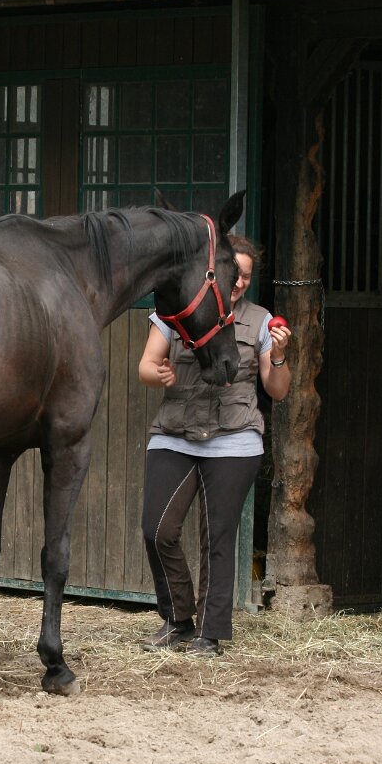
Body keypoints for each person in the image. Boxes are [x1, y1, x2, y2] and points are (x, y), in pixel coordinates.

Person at [138, 234, 291, 655]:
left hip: (234, 438)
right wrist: (158, 373)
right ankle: (178, 619)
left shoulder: (260, 321)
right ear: (214, 270)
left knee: (218, 538)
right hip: (175, 433)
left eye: (247, 276)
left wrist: (279, 355)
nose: (239, 282)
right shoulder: (176, 311)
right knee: (157, 530)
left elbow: (277, 389)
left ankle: (209, 633)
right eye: (233, 272)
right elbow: (146, 366)